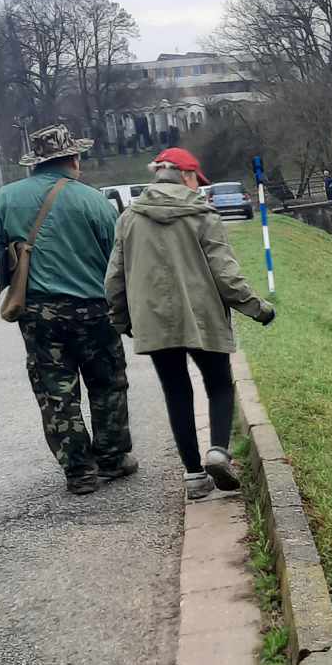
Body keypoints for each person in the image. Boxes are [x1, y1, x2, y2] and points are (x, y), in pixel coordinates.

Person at [0, 123, 135, 495]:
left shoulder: (6, 199)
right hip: (95, 309)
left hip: (39, 313)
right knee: (107, 383)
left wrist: (4, 269)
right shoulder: (94, 201)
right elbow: (119, 259)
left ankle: (80, 472)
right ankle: (112, 459)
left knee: (56, 391)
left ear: (34, 163)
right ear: (74, 158)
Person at [106, 145, 275, 500]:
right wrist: (258, 309)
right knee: (219, 384)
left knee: (176, 392)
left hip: (154, 320)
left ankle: (195, 476)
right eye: (196, 179)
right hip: (203, 316)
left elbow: (115, 278)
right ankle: (217, 451)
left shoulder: (129, 218)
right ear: (184, 176)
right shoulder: (202, 215)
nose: (198, 186)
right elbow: (226, 275)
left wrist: (121, 319)